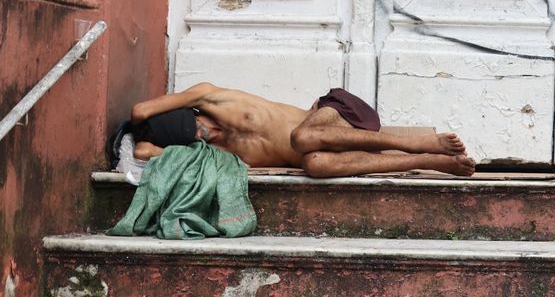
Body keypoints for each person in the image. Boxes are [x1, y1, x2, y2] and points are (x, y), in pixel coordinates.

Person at [130, 83, 474, 178]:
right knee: (313, 164)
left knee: (302, 137)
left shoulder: (211, 97)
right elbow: (143, 153)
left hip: (339, 114)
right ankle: (430, 161)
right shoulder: (217, 153)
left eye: (203, 129)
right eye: (199, 141)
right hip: (330, 152)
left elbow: (140, 110)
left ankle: (415, 144)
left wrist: (148, 118)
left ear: (196, 113)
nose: (211, 136)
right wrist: (149, 137)